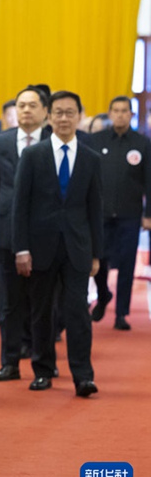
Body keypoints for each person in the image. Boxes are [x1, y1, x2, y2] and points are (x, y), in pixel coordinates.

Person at [13, 90, 102, 397]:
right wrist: (21, 248)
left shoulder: (90, 158)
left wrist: (96, 254)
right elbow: (20, 205)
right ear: (49, 117)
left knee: (77, 311)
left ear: (80, 116)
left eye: (70, 113)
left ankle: (83, 375)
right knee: (41, 311)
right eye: (58, 113)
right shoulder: (33, 155)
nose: (64, 118)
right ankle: (42, 369)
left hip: (77, 247)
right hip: (40, 247)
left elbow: (95, 209)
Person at [0, 86, 50, 382]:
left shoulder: (54, 142)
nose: (26, 110)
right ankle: (9, 362)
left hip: (44, 231)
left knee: (42, 302)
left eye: (32, 105)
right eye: (22, 105)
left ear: (45, 112)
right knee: (9, 302)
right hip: (5, 229)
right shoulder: (0, 142)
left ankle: (43, 365)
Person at [87, 96, 151, 331]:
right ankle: (104, 295)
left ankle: (122, 313)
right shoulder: (96, 140)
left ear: (131, 115)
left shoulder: (142, 143)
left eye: (125, 111)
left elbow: (149, 180)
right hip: (100, 214)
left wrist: (148, 214)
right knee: (99, 259)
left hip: (129, 213)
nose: (120, 114)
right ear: (110, 113)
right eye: (116, 110)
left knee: (126, 263)